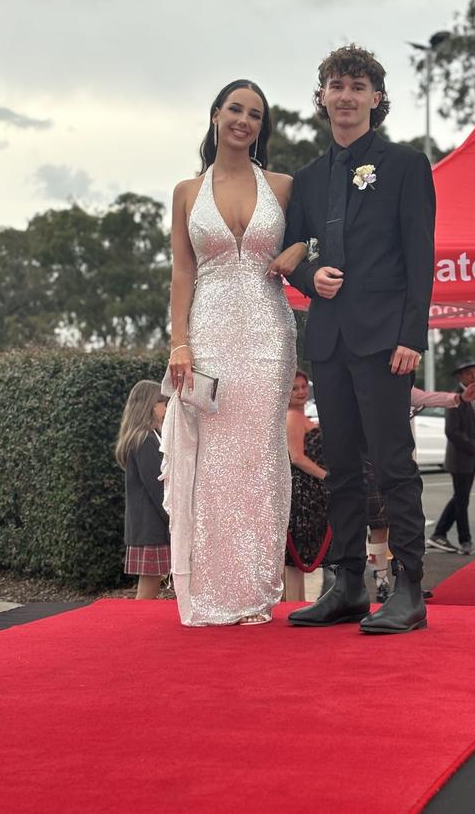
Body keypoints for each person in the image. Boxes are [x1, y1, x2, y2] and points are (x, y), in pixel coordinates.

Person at [283, 44, 436, 634]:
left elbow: (419, 257)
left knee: (393, 465)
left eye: (356, 85)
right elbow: (290, 252)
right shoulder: (309, 178)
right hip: (329, 341)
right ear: (322, 97)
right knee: (342, 467)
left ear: (376, 97)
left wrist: (412, 336)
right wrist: (306, 276)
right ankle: (346, 586)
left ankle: (410, 590)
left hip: (385, 342)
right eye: (335, 85)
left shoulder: (405, 164)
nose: (344, 95)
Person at [163, 79, 307, 626]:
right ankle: (213, 592)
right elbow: (182, 270)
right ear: (217, 115)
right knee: (214, 461)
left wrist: (298, 247)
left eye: (254, 115)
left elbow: (320, 237)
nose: (244, 120)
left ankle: (256, 591)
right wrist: (180, 342)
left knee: (261, 456)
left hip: (270, 334)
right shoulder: (185, 192)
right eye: (235, 110)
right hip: (209, 334)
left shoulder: (284, 186)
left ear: (261, 128)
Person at [367, 382, 475, 600]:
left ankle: (407, 581)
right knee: (379, 526)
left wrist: (460, 398)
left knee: (407, 525)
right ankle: (381, 583)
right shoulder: (369, 388)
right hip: (375, 464)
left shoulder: (402, 389)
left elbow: (429, 398)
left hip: (403, 467)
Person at [115, 380, 170, 600]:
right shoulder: (144, 440)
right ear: (150, 405)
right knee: (148, 588)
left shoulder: (147, 437)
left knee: (151, 583)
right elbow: (156, 485)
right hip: (151, 526)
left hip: (148, 525)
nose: (165, 408)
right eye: (162, 403)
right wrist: (172, 517)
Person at [427, 359, 475, 555]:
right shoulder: (455, 398)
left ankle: (439, 533)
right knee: (461, 501)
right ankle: (465, 540)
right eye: (469, 373)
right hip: (460, 459)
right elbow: (451, 431)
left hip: (470, 459)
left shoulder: (474, 396)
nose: (474, 376)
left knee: (460, 498)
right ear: (460, 376)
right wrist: (474, 447)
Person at [285, 369, 330, 601]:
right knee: (296, 558)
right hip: (302, 495)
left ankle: (297, 606)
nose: (301, 392)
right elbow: (296, 457)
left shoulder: (302, 416)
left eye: (303, 386)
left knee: (300, 559)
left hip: (311, 493)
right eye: (294, 388)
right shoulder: (292, 416)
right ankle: (293, 607)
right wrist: (327, 477)